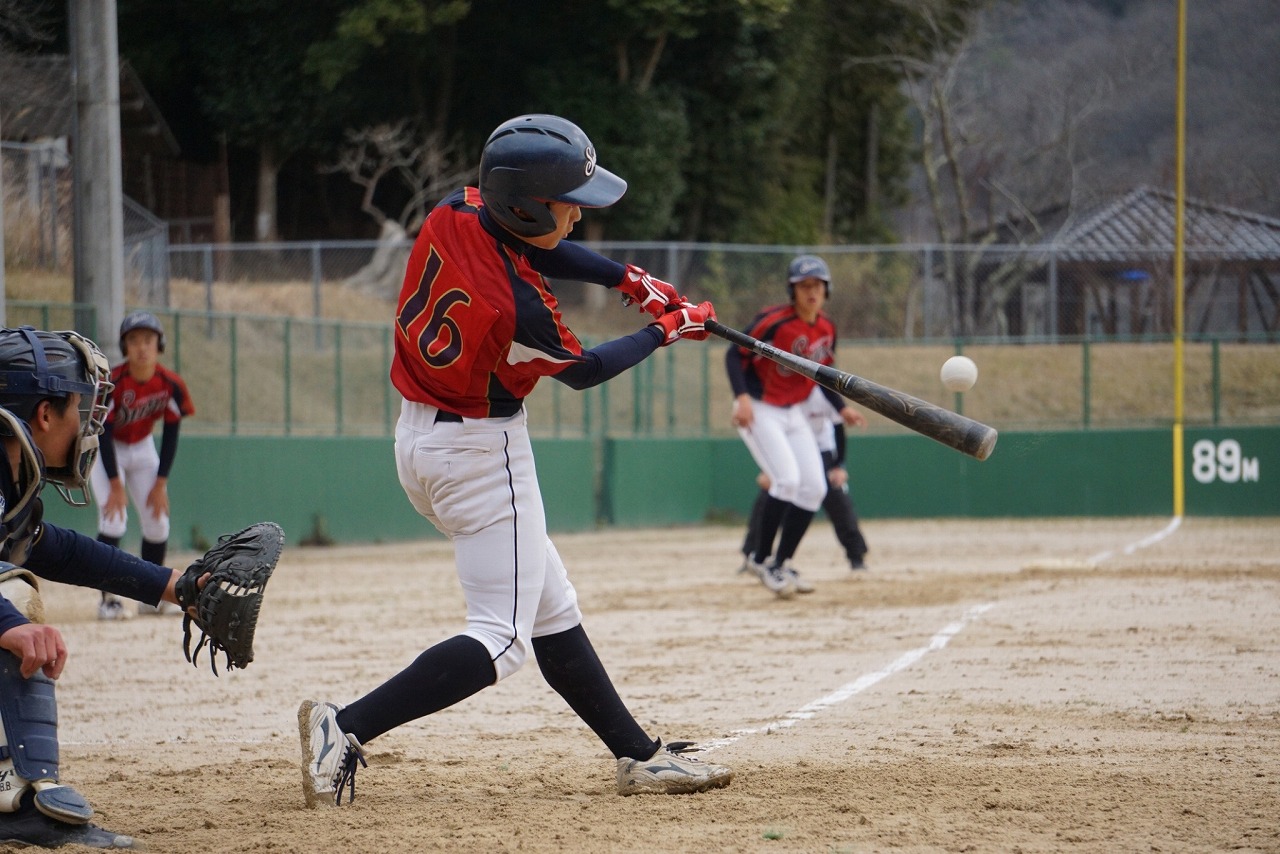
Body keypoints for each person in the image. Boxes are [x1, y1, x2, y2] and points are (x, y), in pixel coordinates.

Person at [297, 114, 730, 807]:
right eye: (569, 205)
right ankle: (345, 726)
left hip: (421, 441)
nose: (579, 218)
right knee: (501, 641)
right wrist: (666, 328)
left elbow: (529, 244)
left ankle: (637, 755)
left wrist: (627, 277)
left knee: (551, 605)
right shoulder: (517, 310)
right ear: (527, 204)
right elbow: (585, 369)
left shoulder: (452, 212)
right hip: (479, 453)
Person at [0, 325, 213, 849]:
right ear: (43, 415)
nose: (88, 422)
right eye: (79, 406)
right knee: (12, 599)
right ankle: (25, 798)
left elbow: (57, 549)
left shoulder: (9, 481)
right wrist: (9, 626)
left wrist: (174, 585)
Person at [726, 254, 865, 598]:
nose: (811, 292)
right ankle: (760, 559)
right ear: (793, 291)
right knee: (787, 481)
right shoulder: (773, 321)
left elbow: (825, 377)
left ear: (826, 290)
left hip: (795, 411)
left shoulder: (827, 328)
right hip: (760, 408)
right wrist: (741, 397)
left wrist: (842, 409)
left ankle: (780, 562)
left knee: (815, 488)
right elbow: (735, 353)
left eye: (817, 285)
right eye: (804, 286)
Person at [93, 311, 195, 620]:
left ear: (159, 345)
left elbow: (172, 434)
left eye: (148, 340)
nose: (141, 347)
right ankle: (108, 600)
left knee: (157, 521)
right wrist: (114, 484)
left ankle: (151, 598)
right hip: (107, 449)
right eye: (134, 340)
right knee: (113, 520)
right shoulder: (113, 382)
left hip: (142, 448)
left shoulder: (170, 384)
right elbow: (104, 431)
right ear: (124, 346)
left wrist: (161, 483)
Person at [739, 385, 869, 578]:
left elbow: (838, 427)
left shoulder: (822, 391)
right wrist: (768, 469)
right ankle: (753, 555)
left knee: (834, 496)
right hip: (788, 450)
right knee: (774, 493)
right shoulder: (779, 393)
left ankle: (856, 557)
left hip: (821, 450)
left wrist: (839, 465)